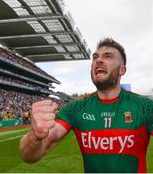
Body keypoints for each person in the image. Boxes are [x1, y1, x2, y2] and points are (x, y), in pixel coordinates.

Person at [20, 38, 153, 173]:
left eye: (108, 56)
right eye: (95, 57)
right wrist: (34, 136)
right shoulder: (75, 109)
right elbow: (29, 156)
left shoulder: (145, 106)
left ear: (122, 70)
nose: (98, 60)